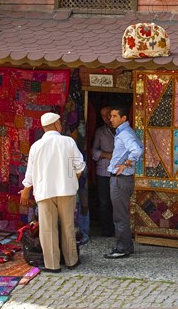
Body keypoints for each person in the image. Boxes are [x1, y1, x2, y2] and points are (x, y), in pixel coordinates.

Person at [20, 112, 86, 273]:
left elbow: (30, 172)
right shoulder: (68, 142)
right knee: (68, 226)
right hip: (66, 191)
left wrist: (25, 191)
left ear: (44, 128)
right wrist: (70, 179)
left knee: (47, 229)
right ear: (57, 124)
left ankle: (52, 265)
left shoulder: (36, 146)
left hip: (45, 192)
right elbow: (79, 166)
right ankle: (71, 261)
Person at [104, 105, 144, 259]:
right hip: (123, 179)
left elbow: (137, 150)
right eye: (111, 116)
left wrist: (126, 164)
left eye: (114, 116)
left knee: (119, 215)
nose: (111, 119)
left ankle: (122, 248)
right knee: (121, 214)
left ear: (123, 118)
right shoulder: (126, 132)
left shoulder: (125, 134)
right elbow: (141, 146)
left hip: (120, 180)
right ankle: (127, 245)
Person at [91, 106, 115, 237]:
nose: (106, 118)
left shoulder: (124, 130)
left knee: (118, 201)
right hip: (104, 172)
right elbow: (93, 151)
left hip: (121, 171)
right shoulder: (100, 132)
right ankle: (107, 230)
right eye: (102, 115)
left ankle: (121, 230)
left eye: (108, 114)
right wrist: (107, 155)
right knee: (104, 202)